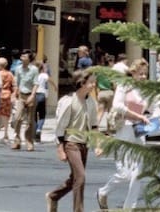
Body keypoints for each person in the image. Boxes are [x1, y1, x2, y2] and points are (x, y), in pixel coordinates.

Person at [97, 59, 154, 211]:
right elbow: (117, 105)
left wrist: (154, 117)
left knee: (138, 173)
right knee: (125, 173)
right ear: (133, 73)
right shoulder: (125, 86)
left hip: (140, 130)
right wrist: (137, 115)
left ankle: (129, 207)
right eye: (140, 74)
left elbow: (154, 107)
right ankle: (103, 192)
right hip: (125, 129)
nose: (143, 77)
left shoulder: (145, 90)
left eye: (145, 74)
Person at [45, 68, 99, 212]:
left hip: (84, 144)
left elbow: (94, 125)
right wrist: (60, 148)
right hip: (71, 143)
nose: (94, 85)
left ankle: (53, 196)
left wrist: (97, 144)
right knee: (80, 177)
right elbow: (60, 127)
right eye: (91, 82)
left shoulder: (91, 102)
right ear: (82, 83)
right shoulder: (68, 101)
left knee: (75, 178)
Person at [12, 49, 39, 151]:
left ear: (29, 59)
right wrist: (15, 93)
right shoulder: (18, 69)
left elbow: (36, 83)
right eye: (22, 55)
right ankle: (17, 140)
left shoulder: (34, 69)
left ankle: (29, 141)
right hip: (21, 96)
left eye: (25, 56)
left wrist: (32, 95)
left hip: (30, 95)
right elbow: (16, 82)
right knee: (17, 118)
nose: (22, 57)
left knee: (30, 121)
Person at [0, 56, 15, 143]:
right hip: (7, 95)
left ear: (0, 65)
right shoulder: (10, 74)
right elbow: (14, 85)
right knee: (6, 115)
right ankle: (6, 133)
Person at [35, 60, 57, 142]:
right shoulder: (44, 75)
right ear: (42, 68)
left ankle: (35, 130)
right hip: (42, 95)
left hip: (34, 95)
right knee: (42, 114)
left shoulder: (34, 74)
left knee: (34, 114)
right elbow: (50, 80)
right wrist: (55, 87)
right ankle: (39, 129)